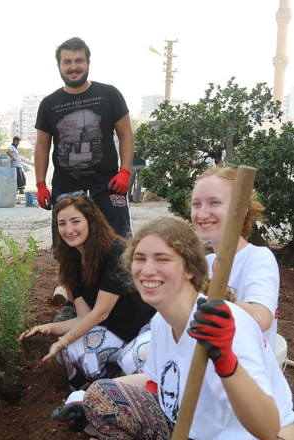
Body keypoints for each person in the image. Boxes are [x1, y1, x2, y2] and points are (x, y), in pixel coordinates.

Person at [73, 216, 294, 440]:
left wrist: (226, 362)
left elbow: (268, 429)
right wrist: (86, 400)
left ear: (189, 269)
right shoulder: (162, 321)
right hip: (193, 430)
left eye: (162, 259)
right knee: (100, 397)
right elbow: (155, 382)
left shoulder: (220, 324)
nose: (148, 270)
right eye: (140, 259)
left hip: (246, 435)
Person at [19, 193, 154, 391]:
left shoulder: (114, 252)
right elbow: (84, 316)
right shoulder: (71, 261)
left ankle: (123, 384)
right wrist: (48, 327)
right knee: (66, 353)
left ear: (91, 221)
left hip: (145, 327)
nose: (69, 230)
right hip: (115, 331)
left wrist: (62, 340)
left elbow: (101, 312)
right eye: (62, 224)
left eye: (75, 222)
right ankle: (98, 387)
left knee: (133, 361)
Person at [34, 37, 134, 238]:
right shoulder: (49, 104)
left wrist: (125, 172)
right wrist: (40, 184)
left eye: (79, 61)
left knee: (119, 250)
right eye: (67, 62)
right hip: (65, 191)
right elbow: (42, 147)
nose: (73, 67)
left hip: (108, 187)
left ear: (88, 62)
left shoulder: (109, 94)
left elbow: (126, 135)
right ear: (59, 65)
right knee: (69, 255)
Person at [191, 165, 278, 350]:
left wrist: (207, 303)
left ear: (241, 209)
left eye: (214, 202)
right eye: (196, 204)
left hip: (244, 368)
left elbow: (260, 318)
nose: (202, 213)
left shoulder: (258, 258)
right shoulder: (205, 263)